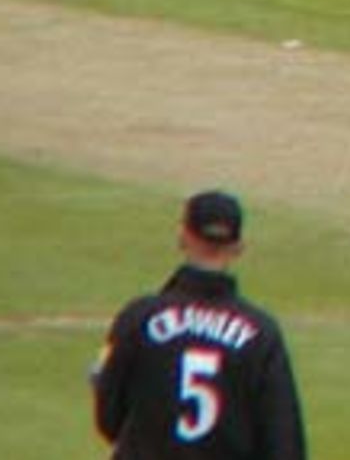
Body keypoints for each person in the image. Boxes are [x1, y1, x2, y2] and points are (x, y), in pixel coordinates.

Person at [91, 190, 307, 459]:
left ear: (183, 237)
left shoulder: (139, 318)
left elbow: (109, 421)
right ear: (238, 247)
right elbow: (285, 445)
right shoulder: (261, 334)